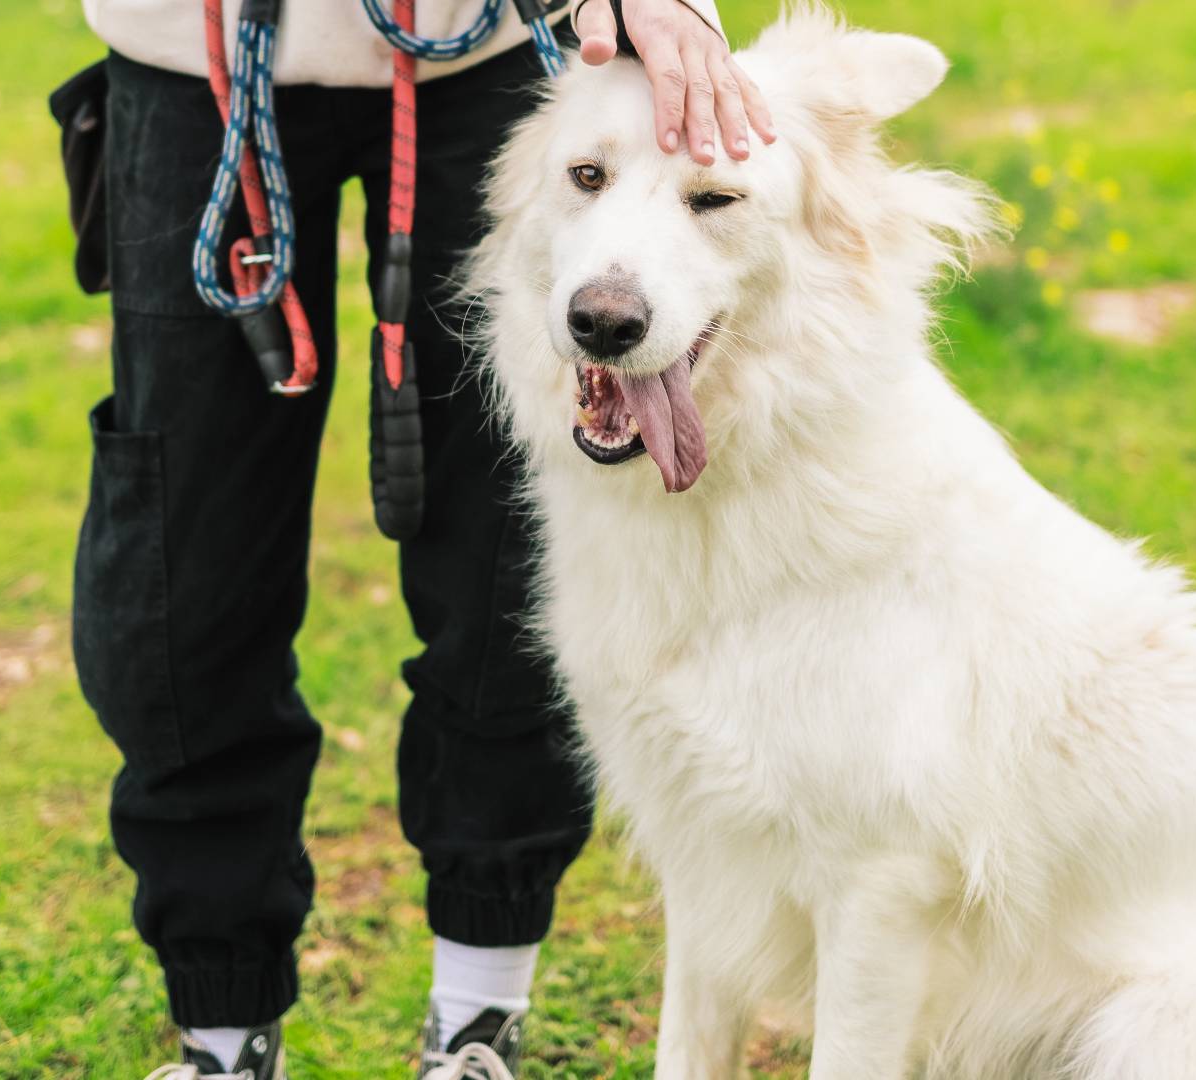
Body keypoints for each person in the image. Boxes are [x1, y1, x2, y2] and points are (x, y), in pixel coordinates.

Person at [67, 0, 771, 1075]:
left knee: (502, 557)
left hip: (497, 47)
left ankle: (478, 1019)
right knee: (178, 568)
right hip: (191, 55)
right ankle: (220, 1034)